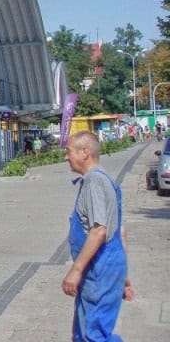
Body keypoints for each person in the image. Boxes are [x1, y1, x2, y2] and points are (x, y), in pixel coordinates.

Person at [61, 131, 135, 341]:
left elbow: (99, 230)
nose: (66, 157)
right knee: (86, 333)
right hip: (108, 267)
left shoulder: (94, 182)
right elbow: (120, 231)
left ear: (85, 152)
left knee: (94, 336)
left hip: (99, 269)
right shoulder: (105, 180)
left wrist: (75, 271)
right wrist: (123, 277)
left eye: (69, 152)